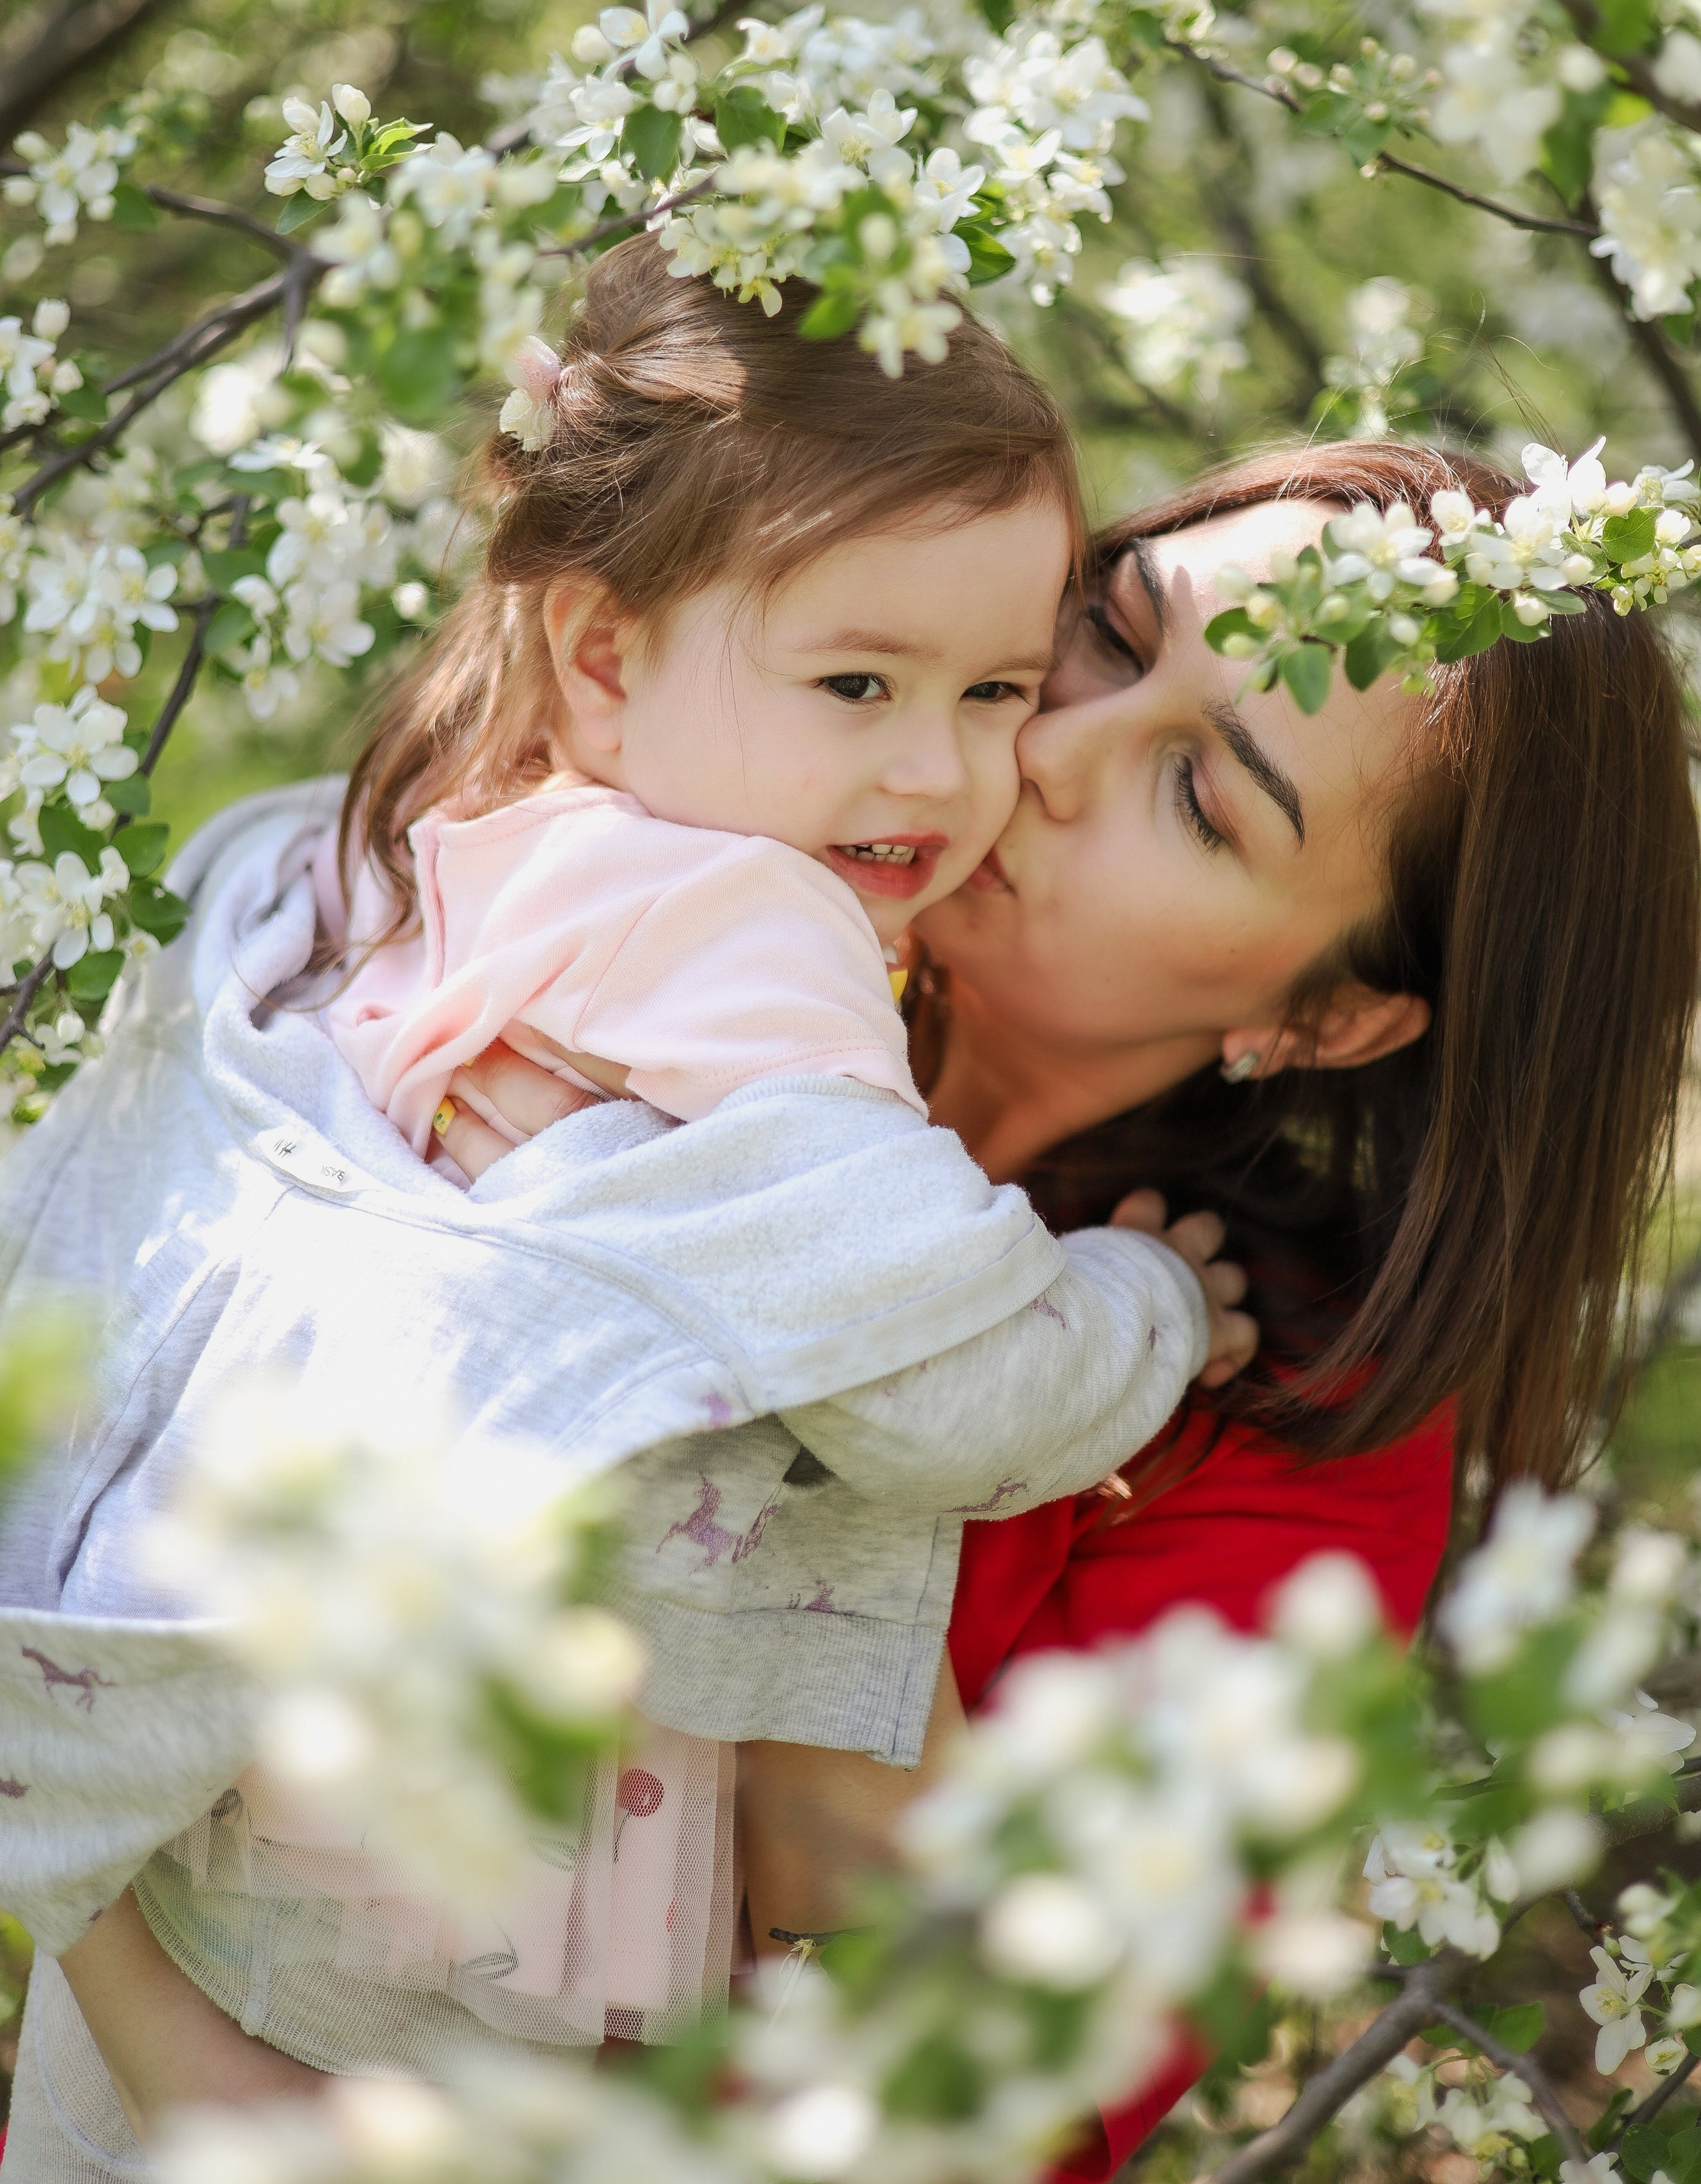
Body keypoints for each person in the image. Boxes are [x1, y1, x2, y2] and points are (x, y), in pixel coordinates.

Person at [0, 253, 1254, 2171]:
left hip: (222, 1899)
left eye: (997, 688)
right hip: (442, 1973)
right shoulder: (756, 932)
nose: (943, 768)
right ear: (601, 655)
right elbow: (944, 1387)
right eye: (860, 683)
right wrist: (1146, 1303)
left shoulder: (414, 852)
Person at [441, 437, 1699, 2174]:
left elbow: (990, 2109)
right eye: (1106, 635)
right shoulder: (644, 886)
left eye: (1201, 797)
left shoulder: (1280, 1440)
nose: (1036, 749)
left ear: (1327, 1017)